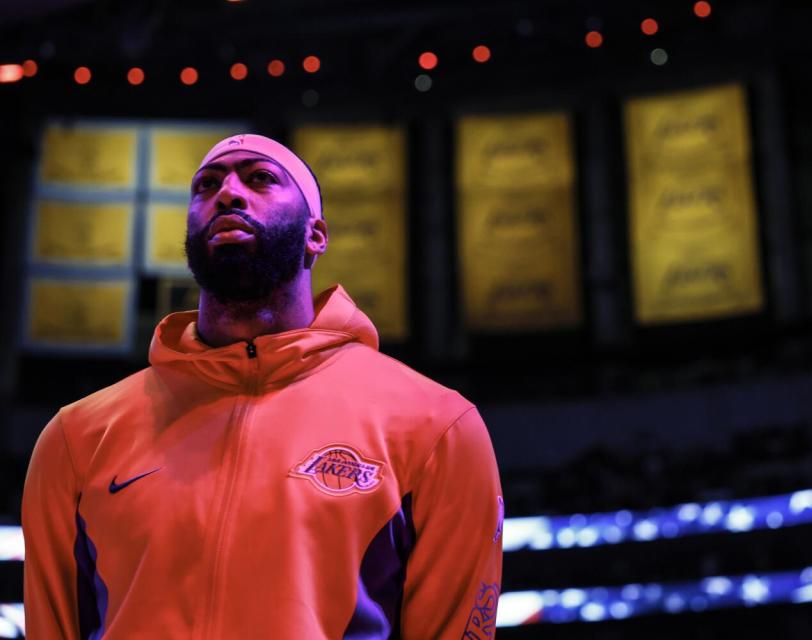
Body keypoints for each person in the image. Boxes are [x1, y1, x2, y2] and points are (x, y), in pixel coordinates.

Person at [22, 133, 504, 639]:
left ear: (315, 235)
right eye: (206, 185)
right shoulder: (77, 439)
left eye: (260, 178)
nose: (227, 193)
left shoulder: (436, 427)